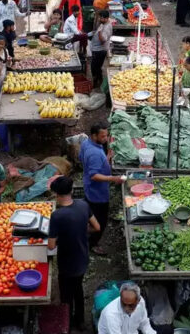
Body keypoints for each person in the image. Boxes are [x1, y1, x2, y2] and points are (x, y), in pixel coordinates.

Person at [48, 176, 100, 330]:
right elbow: (96, 227)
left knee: (66, 294)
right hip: (82, 258)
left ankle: (67, 323)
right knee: (78, 288)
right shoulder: (83, 205)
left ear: (56, 194)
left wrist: (59, 237)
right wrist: (81, 231)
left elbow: (51, 246)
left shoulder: (57, 216)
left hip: (66, 262)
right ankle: (81, 321)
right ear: (71, 191)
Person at [81, 123, 123, 255]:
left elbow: (84, 162)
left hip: (88, 188)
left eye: (107, 135)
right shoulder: (94, 153)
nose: (106, 138)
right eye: (103, 136)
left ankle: (84, 232)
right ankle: (92, 244)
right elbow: (94, 175)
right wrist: (113, 178)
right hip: (97, 193)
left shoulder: (86, 144)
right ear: (94, 136)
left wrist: (106, 158)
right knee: (100, 221)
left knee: (90, 214)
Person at [90, 10, 112, 89]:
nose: (100, 19)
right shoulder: (103, 23)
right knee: (97, 66)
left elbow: (103, 40)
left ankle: (97, 82)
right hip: (97, 48)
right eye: (100, 17)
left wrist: (99, 33)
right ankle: (98, 79)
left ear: (106, 18)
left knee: (95, 67)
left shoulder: (106, 27)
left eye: (101, 18)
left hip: (100, 50)